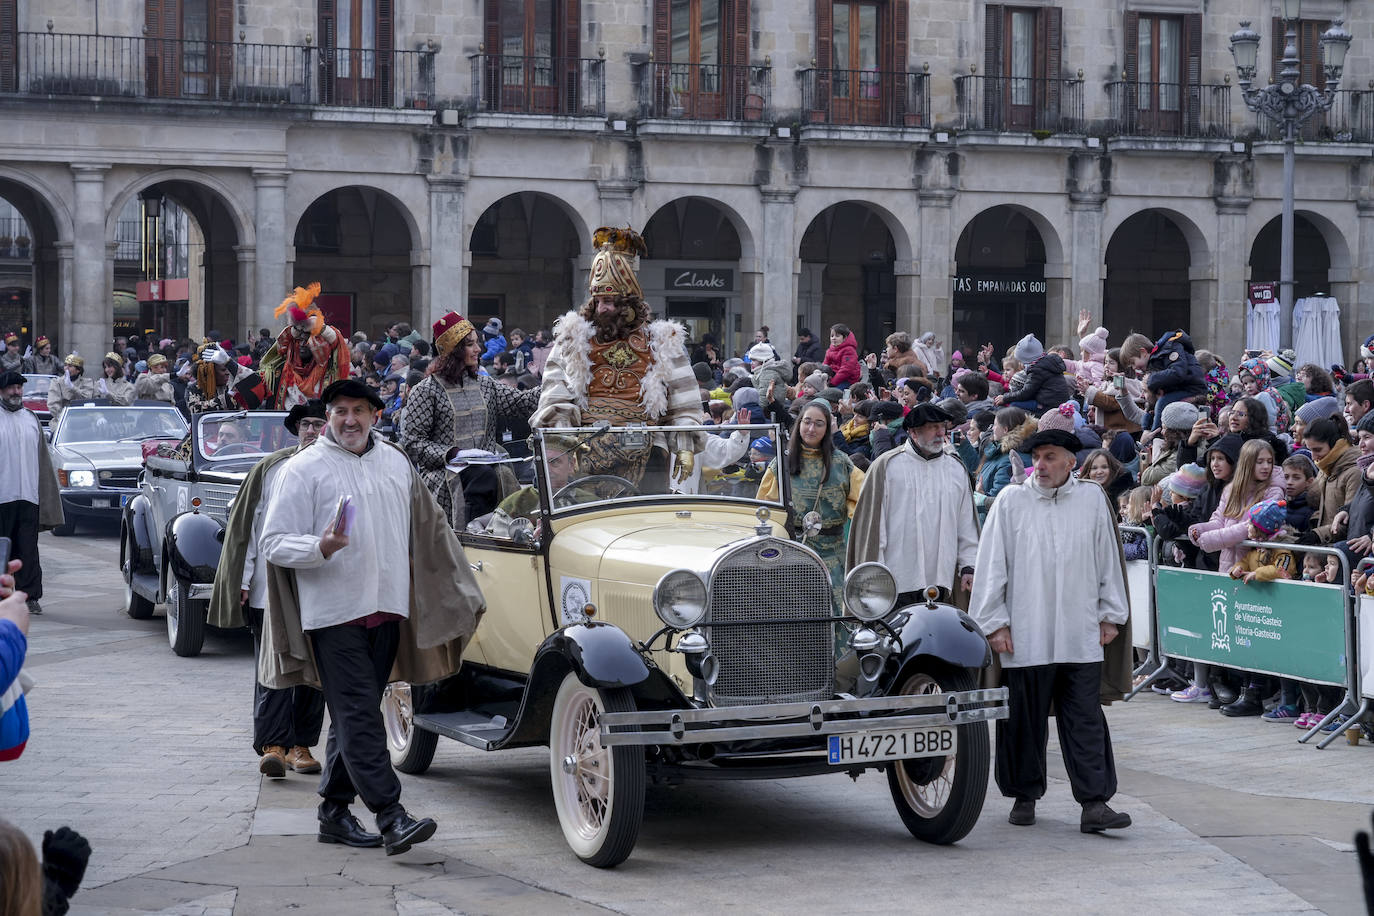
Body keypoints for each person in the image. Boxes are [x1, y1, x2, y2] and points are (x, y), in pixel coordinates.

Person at [259, 378, 485, 855]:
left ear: (376, 415)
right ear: (327, 417)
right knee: (361, 714)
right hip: (333, 615)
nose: (349, 419)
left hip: (388, 613)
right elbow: (273, 541)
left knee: (350, 717)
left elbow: (428, 530)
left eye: (359, 410)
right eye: (339, 410)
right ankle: (391, 815)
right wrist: (320, 546)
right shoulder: (304, 468)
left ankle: (334, 813)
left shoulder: (396, 462)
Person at [968, 419, 1133, 834]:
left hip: (1079, 630)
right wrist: (994, 623)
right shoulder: (1010, 502)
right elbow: (991, 567)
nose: (1040, 465)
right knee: (1024, 717)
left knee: (1085, 718)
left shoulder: (1092, 500)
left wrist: (1111, 614)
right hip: (1026, 630)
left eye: (1049, 458)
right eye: (1037, 458)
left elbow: (1106, 557)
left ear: (1069, 462)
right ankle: (1024, 796)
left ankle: (1094, 803)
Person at [208, 401, 328, 779]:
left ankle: (301, 746)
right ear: (296, 429)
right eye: (306, 424)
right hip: (269, 587)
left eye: (318, 424)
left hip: (320, 585)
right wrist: (242, 581)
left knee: (314, 668)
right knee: (272, 666)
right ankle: (273, 744)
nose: (312, 431)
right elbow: (250, 531)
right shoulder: (273, 468)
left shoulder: (338, 468)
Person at [532, 226, 701, 486]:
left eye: (609, 302)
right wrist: (564, 443)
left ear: (628, 303)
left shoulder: (661, 341)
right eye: (598, 301)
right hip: (585, 451)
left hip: (648, 455)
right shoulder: (573, 339)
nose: (602, 309)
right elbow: (556, 395)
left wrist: (685, 446)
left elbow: (683, 401)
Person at [401, 311, 538, 529]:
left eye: (477, 343)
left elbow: (522, 403)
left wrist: (555, 382)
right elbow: (413, 443)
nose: (478, 349)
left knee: (496, 477)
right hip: (445, 478)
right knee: (482, 477)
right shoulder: (425, 391)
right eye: (470, 345)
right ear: (453, 350)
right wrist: (453, 454)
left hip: (489, 474)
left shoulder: (485, 385)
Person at [847, 402, 978, 607]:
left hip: (942, 579)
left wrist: (968, 565)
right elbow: (875, 526)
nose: (940, 433)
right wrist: (877, 575)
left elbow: (966, 523)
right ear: (913, 432)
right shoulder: (888, 466)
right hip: (897, 580)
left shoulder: (956, 469)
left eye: (942, 426)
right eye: (932, 427)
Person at [757, 400, 864, 613]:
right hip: (790, 552)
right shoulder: (781, 463)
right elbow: (765, 509)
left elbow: (863, 501)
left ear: (828, 428)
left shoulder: (842, 463)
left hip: (832, 554)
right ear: (799, 425)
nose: (811, 429)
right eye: (807, 422)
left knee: (834, 611)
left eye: (819, 423)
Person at [1, 371, 63, 616]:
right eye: (12, 388)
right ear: (1, 390)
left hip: (28, 496)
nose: (16, 392)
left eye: (19, 388)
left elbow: (43, 461)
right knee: (1, 550)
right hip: (2, 497)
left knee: (28, 550)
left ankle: (29, 597)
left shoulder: (31, 418)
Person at [258, 282, 350, 409]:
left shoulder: (332, 372)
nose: (301, 344)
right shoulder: (277, 373)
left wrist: (316, 326)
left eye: (307, 340)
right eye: (298, 339)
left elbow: (336, 341)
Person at [185, 342, 257, 414]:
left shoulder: (233, 385)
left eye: (228, 369)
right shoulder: (194, 388)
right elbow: (196, 409)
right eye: (223, 370)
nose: (227, 373)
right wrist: (228, 397)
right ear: (210, 372)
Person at [46, 354, 97, 418]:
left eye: (70, 366)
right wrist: (64, 418)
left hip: (84, 418)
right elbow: (53, 404)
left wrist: (72, 387)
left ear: (78, 370)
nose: (66, 368)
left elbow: (87, 398)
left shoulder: (87, 382)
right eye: (65, 365)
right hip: (62, 419)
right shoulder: (57, 382)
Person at [823, 324, 861, 389]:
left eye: (837, 336)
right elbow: (825, 364)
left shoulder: (849, 350)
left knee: (834, 393)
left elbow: (846, 370)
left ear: (844, 338)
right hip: (833, 376)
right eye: (832, 336)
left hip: (848, 379)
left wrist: (832, 383)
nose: (834, 338)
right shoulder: (830, 350)